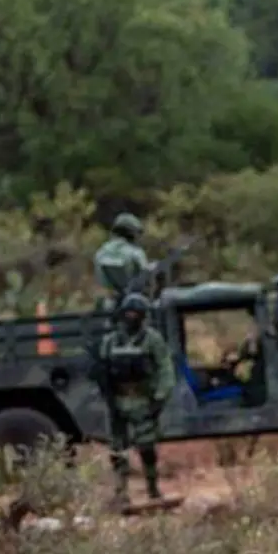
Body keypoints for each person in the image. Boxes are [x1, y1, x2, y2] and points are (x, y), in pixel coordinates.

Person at [97, 292, 175, 509]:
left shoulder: (152, 339)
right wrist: (107, 395)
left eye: (135, 313)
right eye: (128, 313)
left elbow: (165, 368)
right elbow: (102, 371)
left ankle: (152, 486)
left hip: (143, 401)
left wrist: (160, 397)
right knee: (117, 450)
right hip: (118, 401)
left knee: (146, 447)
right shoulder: (110, 341)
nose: (131, 317)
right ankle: (121, 492)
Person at [93, 213, 155, 312]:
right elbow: (145, 275)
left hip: (108, 303)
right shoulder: (136, 252)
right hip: (134, 304)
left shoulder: (101, 252)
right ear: (131, 232)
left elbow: (100, 280)